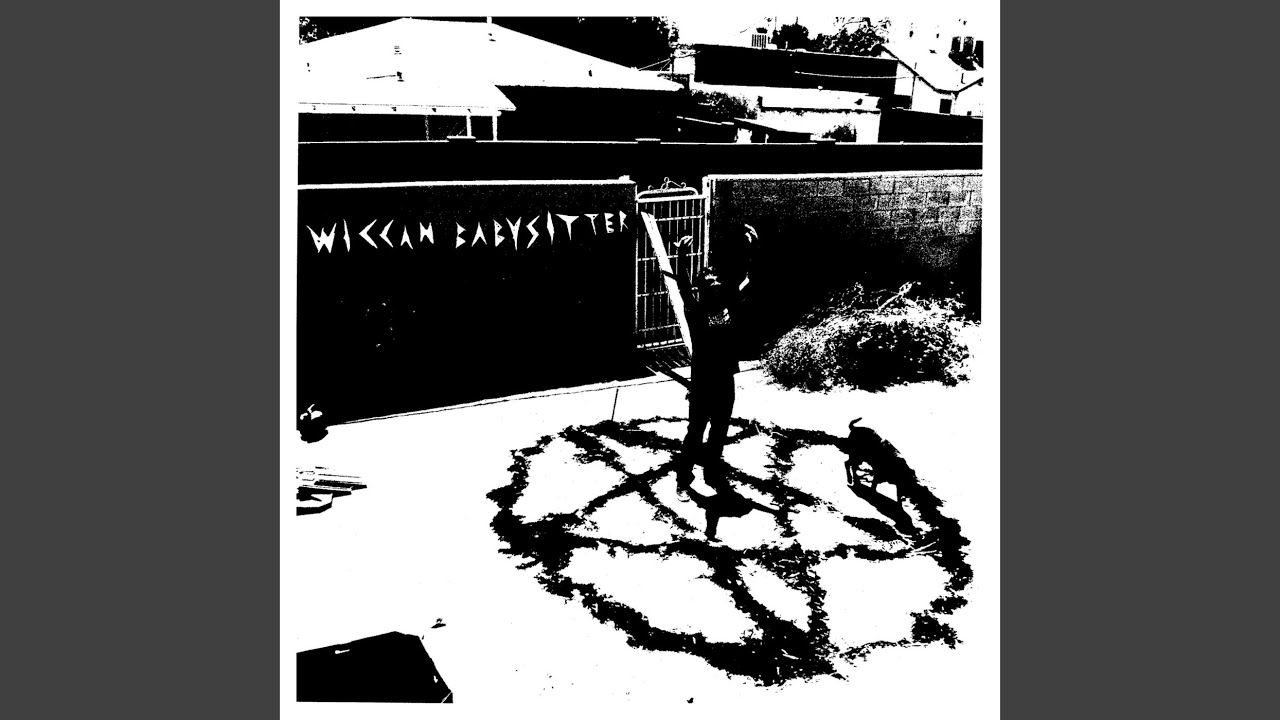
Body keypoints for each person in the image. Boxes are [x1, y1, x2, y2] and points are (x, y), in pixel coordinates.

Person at [666, 224, 756, 491]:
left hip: (725, 379)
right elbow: (682, 285)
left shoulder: (729, 306)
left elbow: (748, 280)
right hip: (703, 382)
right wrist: (682, 255)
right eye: (709, 280)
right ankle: (683, 480)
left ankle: (712, 473)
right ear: (702, 289)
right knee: (695, 433)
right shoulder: (695, 311)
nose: (715, 282)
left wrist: (752, 248)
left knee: (719, 431)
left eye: (717, 279)